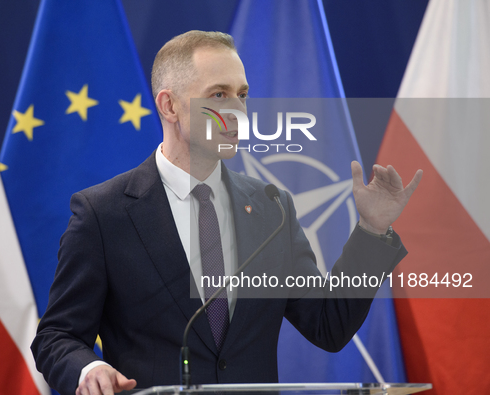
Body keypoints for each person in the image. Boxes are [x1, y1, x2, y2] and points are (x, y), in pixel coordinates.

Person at [31, 31, 422, 395]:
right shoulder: (105, 213)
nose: (237, 111)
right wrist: (86, 370)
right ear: (169, 105)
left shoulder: (272, 208)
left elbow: (328, 325)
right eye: (218, 95)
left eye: (242, 94)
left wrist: (372, 230)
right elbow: (56, 336)